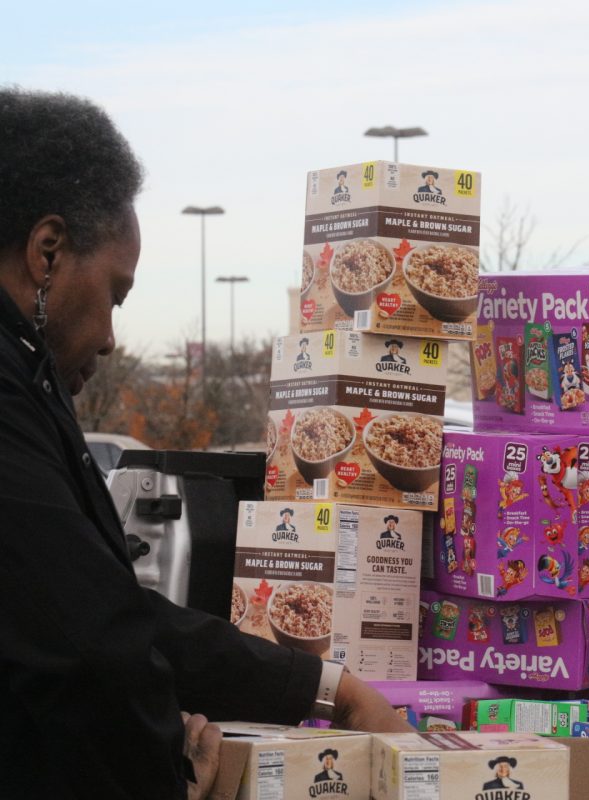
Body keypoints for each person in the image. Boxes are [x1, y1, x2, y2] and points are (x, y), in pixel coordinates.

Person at [0, 87, 406, 799]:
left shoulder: (26, 379)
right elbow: (87, 646)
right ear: (48, 250)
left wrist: (321, 684)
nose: (112, 337)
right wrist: (167, 776)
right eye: (117, 295)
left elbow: (101, 605)